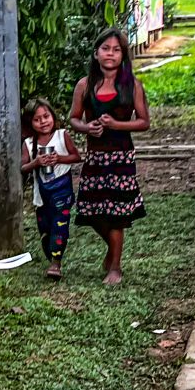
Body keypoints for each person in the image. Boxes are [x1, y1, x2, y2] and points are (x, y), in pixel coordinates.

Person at [69, 27, 149, 285]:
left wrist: (117, 125)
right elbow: (74, 118)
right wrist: (86, 127)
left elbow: (144, 122)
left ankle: (115, 267)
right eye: (106, 49)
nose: (110, 54)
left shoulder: (132, 85)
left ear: (123, 55)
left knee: (117, 213)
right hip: (95, 157)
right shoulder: (85, 85)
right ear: (96, 53)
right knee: (91, 211)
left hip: (122, 157)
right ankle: (112, 251)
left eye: (116, 50)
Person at [21, 98, 81, 280]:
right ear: (30, 123)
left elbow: (76, 156)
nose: (43, 122)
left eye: (46, 116)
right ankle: (52, 254)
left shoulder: (62, 136)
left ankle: (56, 263)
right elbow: (23, 167)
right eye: (37, 119)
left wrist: (59, 159)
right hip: (42, 194)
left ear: (53, 116)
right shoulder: (29, 143)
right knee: (45, 228)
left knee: (60, 225)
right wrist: (36, 162)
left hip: (62, 190)